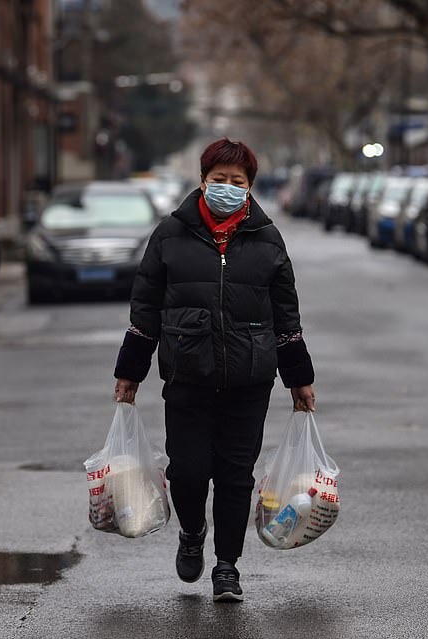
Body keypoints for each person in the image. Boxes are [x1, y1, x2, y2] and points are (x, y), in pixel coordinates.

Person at [112, 138, 316, 603]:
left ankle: (227, 567)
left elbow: (286, 315)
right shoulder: (170, 234)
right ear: (203, 181)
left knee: (234, 477)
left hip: (249, 379)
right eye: (219, 180)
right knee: (187, 471)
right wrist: (130, 371)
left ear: (250, 188)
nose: (228, 187)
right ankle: (191, 532)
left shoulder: (267, 238)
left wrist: (299, 378)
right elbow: (145, 308)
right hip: (187, 375)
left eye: (237, 182)